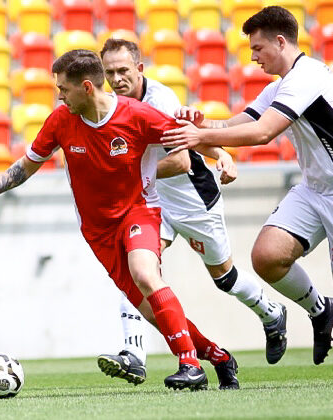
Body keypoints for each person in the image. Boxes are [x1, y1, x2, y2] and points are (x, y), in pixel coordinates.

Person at [0, 49, 238, 391]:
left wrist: (223, 154)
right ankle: (219, 357)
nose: (58, 94)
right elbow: (29, 163)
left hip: (139, 211)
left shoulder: (137, 115)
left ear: (86, 88)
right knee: (154, 314)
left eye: (63, 88)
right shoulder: (61, 121)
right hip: (98, 232)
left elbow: (186, 135)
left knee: (145, 273)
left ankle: (189, 365)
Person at [161, 6, 333, 384]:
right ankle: (320, 311)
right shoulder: (281, 85)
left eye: (257, 48)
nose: (252, 57)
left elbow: (263, 133)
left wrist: (202, 138)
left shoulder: (308, 77)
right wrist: (198, 123)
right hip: (316, 190)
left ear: (280, 41)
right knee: (267, 257)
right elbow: (239, 124)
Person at [96, 38, 287, 389]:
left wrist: (219, 154)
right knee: (137, 273)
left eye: (123, 70)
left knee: (224, 278)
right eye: (109, 73)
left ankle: (271, 313)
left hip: (194, 199)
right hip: (151, 204)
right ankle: (134, 355)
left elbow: (183, 157)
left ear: (139, 68)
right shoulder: (111, 104)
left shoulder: (161, 99)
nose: (117, 78)